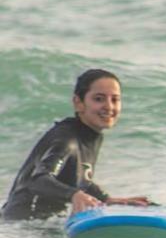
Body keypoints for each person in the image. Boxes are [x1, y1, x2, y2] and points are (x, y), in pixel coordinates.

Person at [2, 69, 150, 222]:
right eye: (99, 99)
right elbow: (38, 181)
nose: (109, 106)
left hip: (39, 225)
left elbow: (80, 177)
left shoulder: (90, 136)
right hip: (23, 226)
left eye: (115, 99)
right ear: (78, 103)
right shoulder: (67, 139)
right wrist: (74, 195)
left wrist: (107, 199)